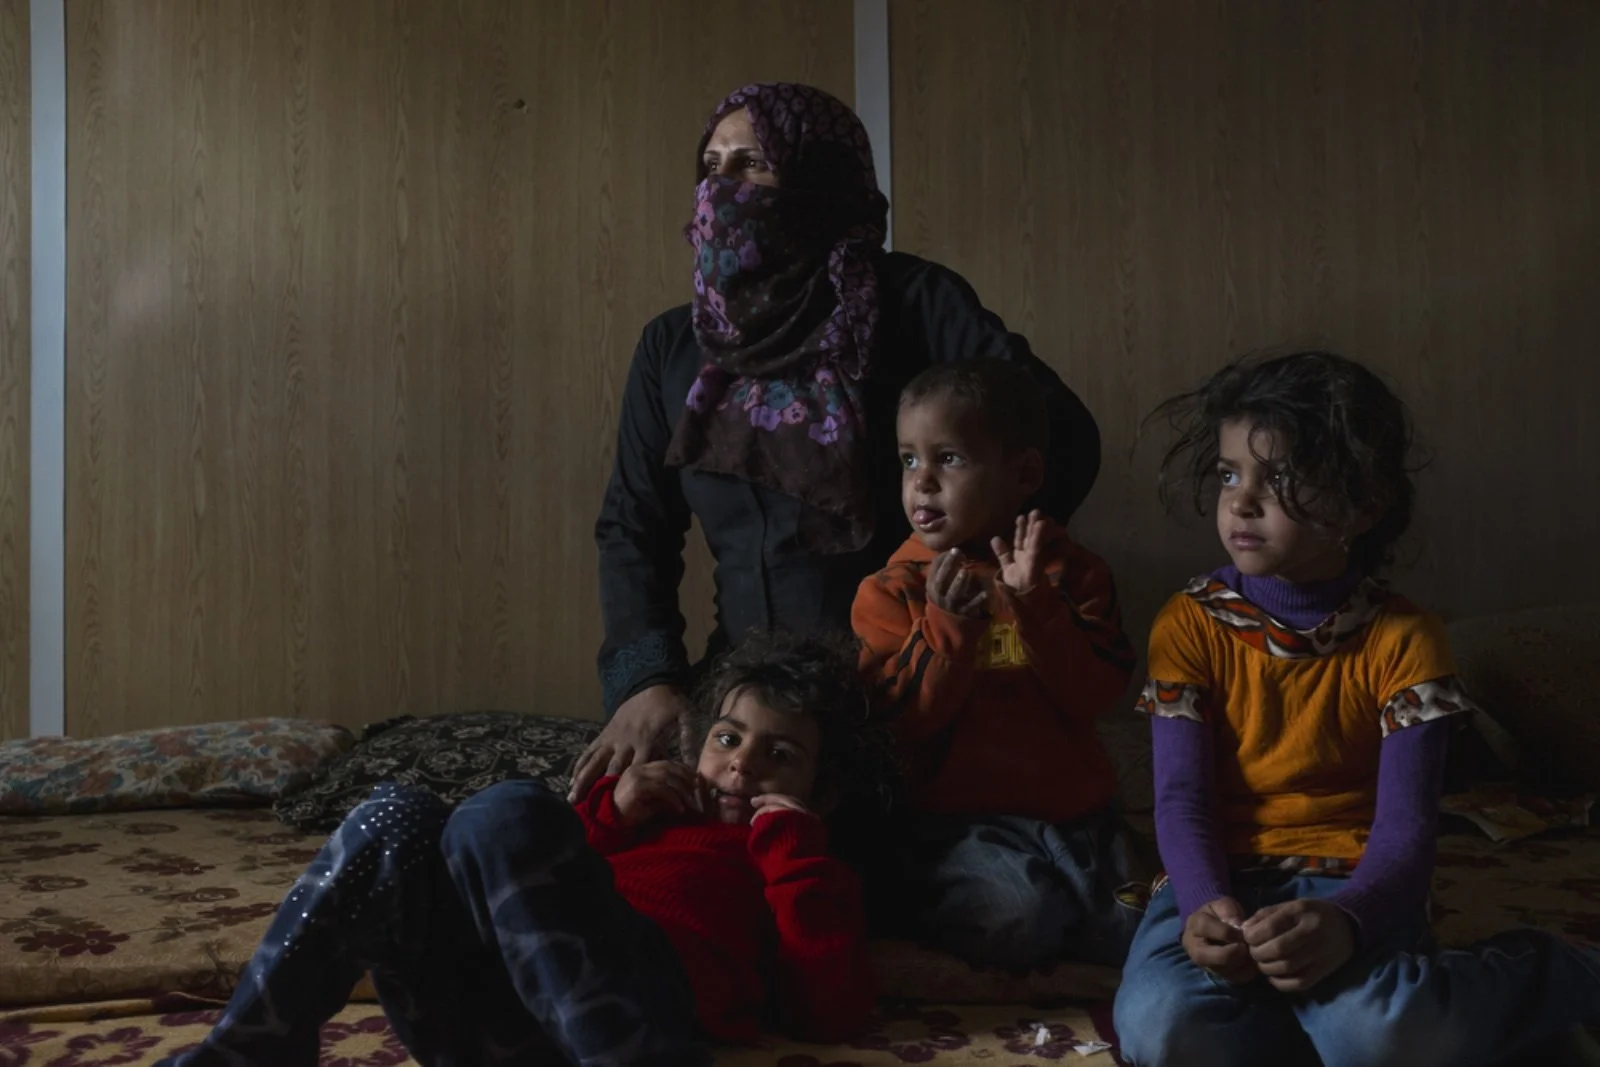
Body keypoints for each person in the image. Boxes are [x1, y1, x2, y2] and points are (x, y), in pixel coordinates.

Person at [571, 82, 1102, 802]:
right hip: (747, 695)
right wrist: (649, 680)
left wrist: (958, 577)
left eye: (752, 163)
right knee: (605, 831)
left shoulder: (913, 303)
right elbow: (633, 526)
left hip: (908, 681)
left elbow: (1057, 437)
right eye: (711, 166)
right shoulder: (674, 347)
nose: (723, 187)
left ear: (819, 182)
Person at [1114, 351, 1600, 1067]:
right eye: (1228, 473)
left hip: (1354, 882)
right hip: (1222, 878)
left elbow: (1408, 828)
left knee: (1381, 1038)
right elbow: (1182, 799)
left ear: (1364, 504)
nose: (1241, 501)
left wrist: (1348, 920)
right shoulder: (1187, 624)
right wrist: (1203, 908)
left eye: (1278, 478)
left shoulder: (1405, 638)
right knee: (1160, 1027)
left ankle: (1547, 971)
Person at [159, 632, 881, 1067]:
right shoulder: (647, 818)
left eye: (778, 754)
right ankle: (246, 1056)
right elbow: (537, 884)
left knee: (499, 813)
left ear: (821, 792)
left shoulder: (799, 863)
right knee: (397, 812)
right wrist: (613, 811)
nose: (741, 763)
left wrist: (792, 847)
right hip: (488, 1021)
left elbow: (828, 1007)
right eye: (728, 737)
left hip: (640, 1019)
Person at [850, 360, 1145, 971]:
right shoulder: (892, 590)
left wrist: (1034, 605)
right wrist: (949, 624)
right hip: (959, 828)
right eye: (909, 460)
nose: (921, 483)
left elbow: (1096, 694)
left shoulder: (1075, 575)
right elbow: (901, 723)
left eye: (949, 459)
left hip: (1079, 820)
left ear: (1024, 473)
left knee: (1136, 926)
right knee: (1018, 920)